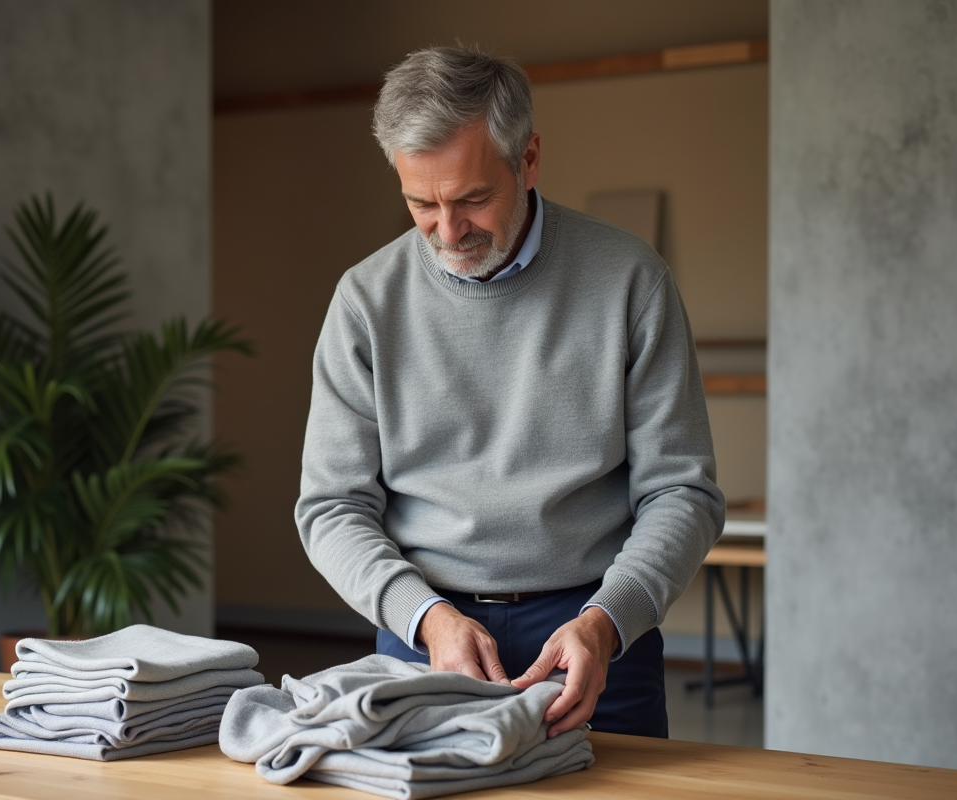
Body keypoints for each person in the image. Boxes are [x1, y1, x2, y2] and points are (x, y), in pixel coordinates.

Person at [295, 45, 724, 739]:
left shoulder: (631, 281)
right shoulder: (365, 301)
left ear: (528, 159)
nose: (447, 231)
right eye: (421, 203)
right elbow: (330, 506)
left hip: (598, 631)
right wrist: (425, 617)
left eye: (472, 199)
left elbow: (683, 492)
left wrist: (608, 619)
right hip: (423, 629)